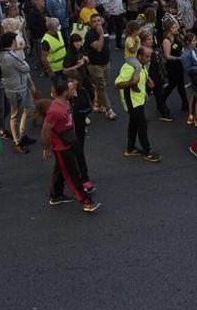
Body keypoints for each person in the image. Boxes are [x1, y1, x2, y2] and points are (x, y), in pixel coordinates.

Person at [40, 78, 101, 212]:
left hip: (69, 141)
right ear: (64, 92)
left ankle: (56, 195)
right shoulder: (55, 110)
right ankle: (86, 201)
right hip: (61, 147)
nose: (74, 91)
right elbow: (46, 129)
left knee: (60, 170)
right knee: (72, 175)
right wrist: (47, 148)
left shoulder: (66, 101)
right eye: (71, 89)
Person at [115, 44, 160, 162]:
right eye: (147, 56)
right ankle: (147, 152)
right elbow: (117, 84)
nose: (149, 59)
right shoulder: (129, 67)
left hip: (138, 100)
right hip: (132, 102)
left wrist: (145, 90)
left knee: (134, 124)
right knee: (142, 125)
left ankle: (130, 149)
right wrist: (131, 82)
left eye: (150, 56)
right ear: (140, 56)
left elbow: (142, 77)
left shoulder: (140, 65)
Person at [84, 15, 116, 120]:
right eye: (94, 22)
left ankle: (98, 104)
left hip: (106, 63)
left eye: (98, 20)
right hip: (95, 65)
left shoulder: (105, 29)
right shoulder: (90, 34)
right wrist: (101, 34)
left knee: (102, 86)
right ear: (90, 23)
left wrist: (109, 57)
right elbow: (98, 47)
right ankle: (109, 109)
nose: (97, 23)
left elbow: (107, 45)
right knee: (102, 87)